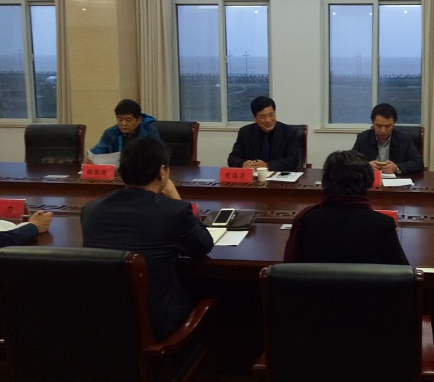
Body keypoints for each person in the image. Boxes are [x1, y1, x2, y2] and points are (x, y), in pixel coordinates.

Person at [81, 138, 213, 342]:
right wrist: (175, 197)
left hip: (101, 330)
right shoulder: (173, 212)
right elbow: (203, 244)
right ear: (162, 171)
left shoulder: (90, 210)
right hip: (158, 333)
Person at [284, 150, 408, 265]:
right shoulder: (383, 224)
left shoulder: (306, 219)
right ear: (368, 181)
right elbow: (402, 272)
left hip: (318, 283)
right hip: (365, 283)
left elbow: (292, 268)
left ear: (326, 180)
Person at [227, 96, 301, 170]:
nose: (268, 120)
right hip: (254, 175)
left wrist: (267, 165)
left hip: (278, 175)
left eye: (271, 115)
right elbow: (232, 158)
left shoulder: (289, 132)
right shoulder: (245, 132)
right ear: (255, 118)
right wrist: (243, 163)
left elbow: (293, 160)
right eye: (262, 117)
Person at [351, 103, 424, 175]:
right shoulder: (363, 138)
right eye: (379, 126)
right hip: (371, 180)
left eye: (388, 126)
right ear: (372, 123)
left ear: (394, 124)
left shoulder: (404, 139)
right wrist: (366, 166)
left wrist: (397, 168)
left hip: (396, 181)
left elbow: (418, 163)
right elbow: (351, 162)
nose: (383, 131)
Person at [86, 98, 160, 161]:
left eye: (128, 120)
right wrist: (90, 158)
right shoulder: (111, 133)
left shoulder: (150, 132)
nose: (123, 124)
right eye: (120, 120)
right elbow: (97, 151)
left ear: (139, 120)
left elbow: (158, 155)